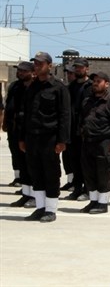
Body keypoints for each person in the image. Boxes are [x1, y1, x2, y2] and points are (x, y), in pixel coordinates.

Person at [19, 51, 71, 223]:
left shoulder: (58, 88)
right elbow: (25, 114)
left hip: (50, 138)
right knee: (36, 173)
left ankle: (50, 209)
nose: (37, 66)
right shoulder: (31, 87)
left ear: (50, 66)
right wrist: (22, 138)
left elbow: (65, 115)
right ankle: (40, 207)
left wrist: (62, 140)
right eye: (35, 63)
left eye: (40, 64)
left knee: (51, 173)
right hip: (32, 137)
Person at [79, 72, 110, 214]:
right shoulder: (87, 101)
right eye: (94, 81)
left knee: (103, 173)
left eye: (99, 81)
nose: (95, 83)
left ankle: (103, 203)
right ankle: (93, 201)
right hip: (88, 143)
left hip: (103, 143)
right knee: (89, 173)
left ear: (107, 84)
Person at [4, 62, 36, 208]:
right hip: (16, 129)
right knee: (21, 163)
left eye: (24, 71)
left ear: (32, 72)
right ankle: (26, 193)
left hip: (30, 131)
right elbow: (10, 106)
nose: (20, 73)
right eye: (19, 71)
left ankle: (35, 195)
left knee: (32, 165)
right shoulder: (15, 87)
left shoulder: (35, 87)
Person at [64, 58, 92, 201]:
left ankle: (88, 190)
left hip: (86, 131)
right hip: (72, 129)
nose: (78, 70)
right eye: (76, 67)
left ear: (87, 69)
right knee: (74, 161)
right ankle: (77, 188)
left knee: (86, 162)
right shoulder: (71, 87)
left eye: (81, 67)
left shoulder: (91, 86)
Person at [60, 65, 76, 191]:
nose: (69, 76)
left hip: (77, 129)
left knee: (76, 158)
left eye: (71, 73)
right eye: (68, 73)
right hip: (67, 129)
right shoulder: (66, 88)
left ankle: (77, 182)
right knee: (67, 157)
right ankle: (70, 181)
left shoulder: (84, 88)